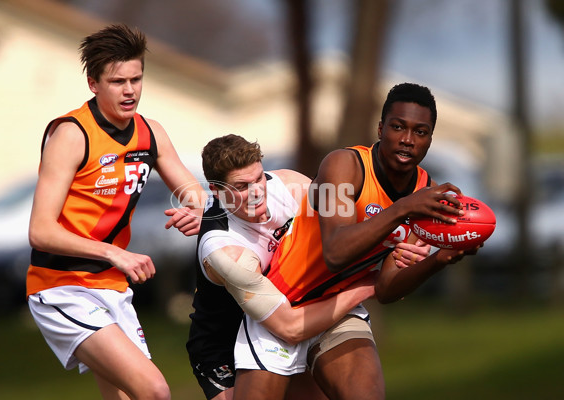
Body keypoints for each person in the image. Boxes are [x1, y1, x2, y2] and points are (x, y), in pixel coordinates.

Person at [233, 82, 480, 400]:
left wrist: (440, 260)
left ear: (430, 140)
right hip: (280, 307)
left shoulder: (424, 194)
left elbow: (388, 287)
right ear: (380, 128)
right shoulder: (343, 166)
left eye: (420, 132)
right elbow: (336, 252)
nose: (407, 140)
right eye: (397, 127)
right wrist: (403, 209)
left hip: (338, 310)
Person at [26, 24, 204, 400]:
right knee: (154, 390)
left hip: (113, 288)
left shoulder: (150, 133)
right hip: (62, 287)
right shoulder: (72, 134)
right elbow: (40, 230)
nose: (130, 91)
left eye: (136, 79)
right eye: (117, 81)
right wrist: (113, 252)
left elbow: (192, 191)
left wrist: (198, 210)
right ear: (93, 83)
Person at [185, 134, 430, 400]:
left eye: (258, 178)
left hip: (305, 304)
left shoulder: (291, 185)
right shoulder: (225, 251)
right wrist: (370, 284)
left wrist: (405, 246)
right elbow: (289, 328)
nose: (256, 192)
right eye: (241, 186)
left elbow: (356, 227)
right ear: (216, 189)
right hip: (230, 337)